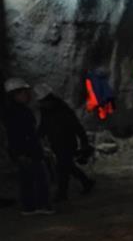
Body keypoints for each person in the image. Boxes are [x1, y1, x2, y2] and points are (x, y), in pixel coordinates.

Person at [3, 78, 53, 215]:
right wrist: (24, 152)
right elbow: (18, 135)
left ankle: (29, 207)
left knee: (27, 179)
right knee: (39, 178)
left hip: (25, 151)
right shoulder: (17, 113)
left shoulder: (15, 111)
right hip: (28, 151)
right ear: (15, 95)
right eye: (24, 92)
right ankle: (41, 205)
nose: (28, 95)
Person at [38, 88, 95, 201]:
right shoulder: (46, 111)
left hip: (67, 143)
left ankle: (62, 193)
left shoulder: (64, 111)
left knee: (62, 168)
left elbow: (77, 127)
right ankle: (86, 182)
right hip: (56, 143)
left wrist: (84, 143)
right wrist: (38, 136)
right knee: (68, 166)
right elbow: (44, 126)